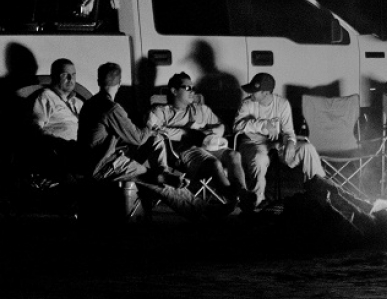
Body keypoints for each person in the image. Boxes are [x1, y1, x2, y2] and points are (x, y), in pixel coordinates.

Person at [77, 62, 212, 219]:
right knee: (157, 181)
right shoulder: (112, 108)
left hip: (91, 160)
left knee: (155, 139)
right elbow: (138, 138)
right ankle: (202, 210)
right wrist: (150, 124)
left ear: (99, 81)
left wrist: (151, 132)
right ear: (119, 82)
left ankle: (163, 172)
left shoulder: (90, 104)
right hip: (106, 165)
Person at [148, 72, 251, 209]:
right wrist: (187, 133)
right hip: (184, 150)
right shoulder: (162, 111)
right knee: (214, 164)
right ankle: (235, 198)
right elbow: (154, 131)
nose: (192, 92)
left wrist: (214, 131)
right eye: (187, 88)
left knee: (234, 155)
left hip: (208, 146)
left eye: (193, 88)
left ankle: (242, 193)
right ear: (174, 91)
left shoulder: (201, 109)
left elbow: (221, 126)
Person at [233, 72, 327, 208]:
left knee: (307, 148)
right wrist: (263, 124)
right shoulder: (247, 104)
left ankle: (321, 194)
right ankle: (256, 201)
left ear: (266, 93)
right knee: (259, 158)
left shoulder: (282, 104)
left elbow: (288, 131)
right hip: (253, 143)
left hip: (277, 143)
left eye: (254, 91)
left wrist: (290, 142)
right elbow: (236, 126)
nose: (250, 93)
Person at [27, 58, 84, 179]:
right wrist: (58, 144)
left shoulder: (78, 102)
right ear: (54, 76)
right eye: (65, 75)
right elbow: (35, 130)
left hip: (83, 152)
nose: (71, 79)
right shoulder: (46, 97)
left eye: (73, 74)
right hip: (60, 155)